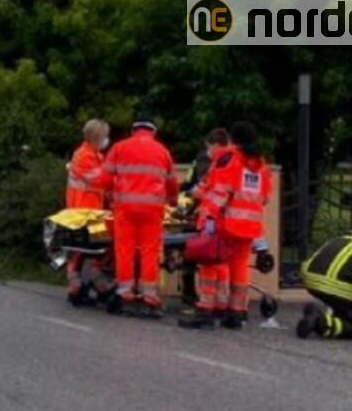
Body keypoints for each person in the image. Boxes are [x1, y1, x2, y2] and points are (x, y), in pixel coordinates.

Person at [180, 122, 272, 330]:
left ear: (233, 139)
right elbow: (265, 197)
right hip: (250, 226)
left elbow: (219, 191)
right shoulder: (261, 165)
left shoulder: (228, 159)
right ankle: (236, 312)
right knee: (239, 267)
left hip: (225, 223)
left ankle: (206, 310)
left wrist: (207, 216)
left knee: (210, 263)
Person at [104, 115, 179, 318]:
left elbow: (105, 177)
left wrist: (110, 194)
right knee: (150, 251)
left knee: (125, 250)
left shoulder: (119, 148)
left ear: (133, 131)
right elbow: (172, 183)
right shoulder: (162, 151)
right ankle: (149, 296)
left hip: (125, 208)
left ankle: (125, 293)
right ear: (153, 132)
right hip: (152, 210)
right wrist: (173, 201)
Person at [179, 129, 232, 310]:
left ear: (214, 145)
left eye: (210, 147)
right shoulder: (233, 161)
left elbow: (202, 188)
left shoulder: (214, 163)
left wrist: (190, 195)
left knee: (208, 258)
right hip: (221, 218)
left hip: (209, 217)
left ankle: (207, 300)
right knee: (220, 260)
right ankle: (220, 301)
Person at [65, 119, 114, 305]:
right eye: (104, 136)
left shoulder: (95, 155)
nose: (106, 140)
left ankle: (90, 284)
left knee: (94, 251)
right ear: (96, 137)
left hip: (91, 212)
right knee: (83, 252)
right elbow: (100, 180)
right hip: (83, 213)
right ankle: (79, 287)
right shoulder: (84, 156)